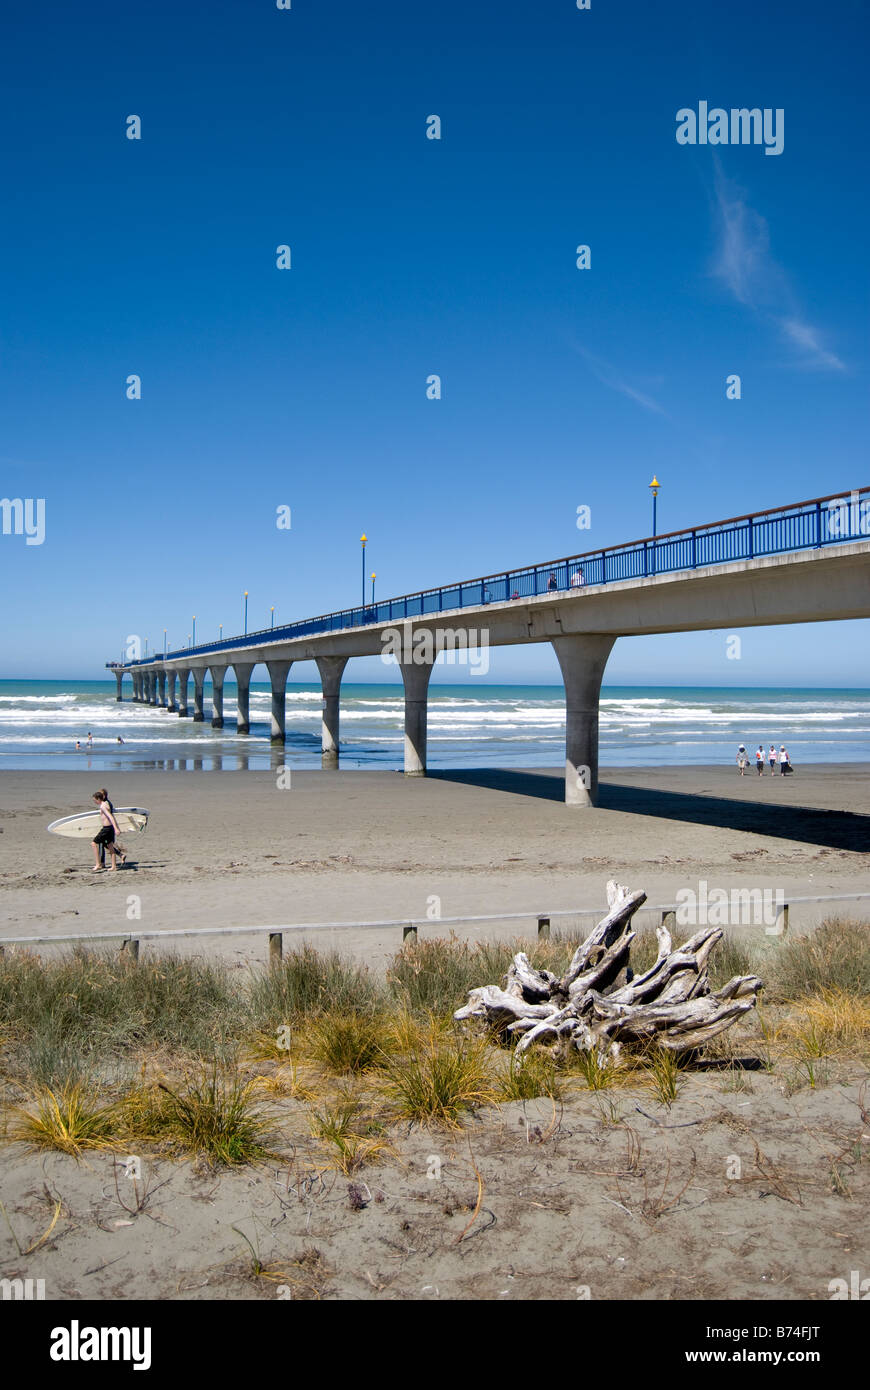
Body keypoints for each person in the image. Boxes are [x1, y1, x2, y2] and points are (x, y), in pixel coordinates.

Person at [91, 789, 125, 872]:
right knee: (110, 846)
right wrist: (114, 828)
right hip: (110, 828)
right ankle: (113, 867)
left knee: (93, 843)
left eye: (95, 800)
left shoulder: (103, 806)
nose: (94, 802)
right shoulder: (106, 804)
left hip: (106, 829)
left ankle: (98, 864)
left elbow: (110, 817)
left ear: (98, 799)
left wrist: (116, 829)